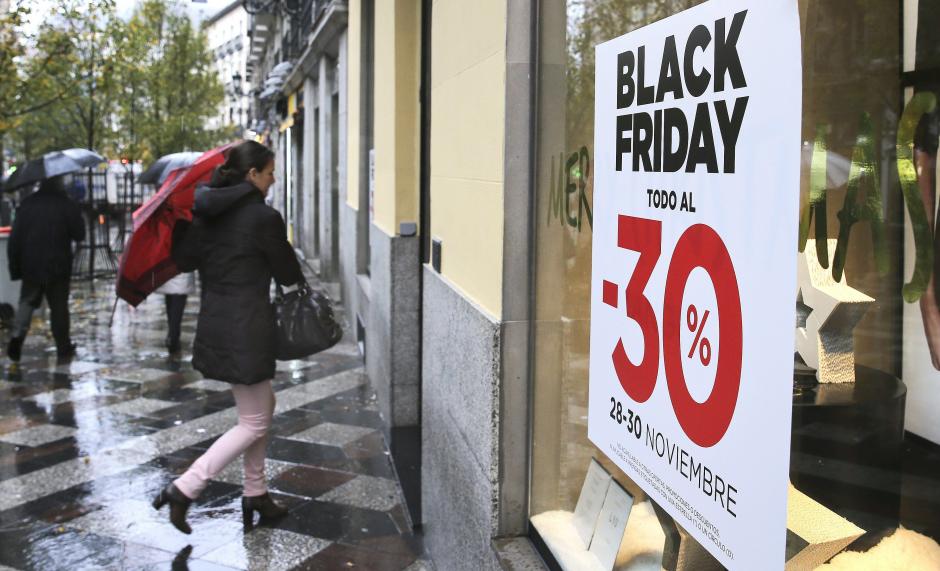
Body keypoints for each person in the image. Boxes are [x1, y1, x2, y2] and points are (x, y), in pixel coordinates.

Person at [151, 140, 303, 534]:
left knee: (261, 407)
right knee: (253, 421)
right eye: (269, 173)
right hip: (247, 326)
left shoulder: (207, 213)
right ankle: (185, 487)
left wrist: (185, 225)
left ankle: (256, 493)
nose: (272, 180)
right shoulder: (262, 218)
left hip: (220, 322)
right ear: (252, 175)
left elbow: (184, 261)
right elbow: (288, 275)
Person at [6, 175, 86, 362]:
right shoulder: (66, 204)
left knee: (27, 301)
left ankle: (18, 336)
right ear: (59, 183)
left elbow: (15, 239)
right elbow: (79, 234)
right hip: (58, 265)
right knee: (58, 307)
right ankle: (63, 345)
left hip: (31, 264)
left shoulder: (27, 205)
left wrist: (15, 266)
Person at [154, 272, 195, 354]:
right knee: (177, 307)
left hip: (168, 272)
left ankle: (172, 334)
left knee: (170, 301)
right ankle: (173, 336)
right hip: (182, 275)